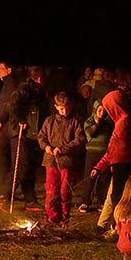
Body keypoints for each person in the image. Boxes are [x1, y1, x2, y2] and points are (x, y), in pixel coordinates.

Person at [93, 89, 131, 237]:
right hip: (117, 164)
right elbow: (112, 151)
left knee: (119, 197)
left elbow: (120, 148)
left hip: (123, 165)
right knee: (112, 197)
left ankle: (119, 226)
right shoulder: (121, 121)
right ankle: (103, 225)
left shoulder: (125, 121)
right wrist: (99, 167)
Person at [0, 66, 50, 211]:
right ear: (40, 78)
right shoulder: (26, 89)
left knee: (30, 166)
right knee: (21, 165)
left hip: (32, 134)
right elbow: (11, 104)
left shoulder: (38, 92)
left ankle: (30, 199)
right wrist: (21, 120)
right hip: (21, 132)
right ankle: (4, 196)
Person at [37, 91, 86, 225]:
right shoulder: (49, 121)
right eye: (62, 108)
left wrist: (63, 149)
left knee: (65, 191)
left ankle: (65, 218)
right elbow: (41, 136)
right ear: (56, 107)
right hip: (50, 161)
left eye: (67, 108)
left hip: (66, 162)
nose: (65, 111)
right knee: (52, 191)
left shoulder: (75, 122)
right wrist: (46, 146)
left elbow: (80, 139)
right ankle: (52, 218)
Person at [0, 61, 19, 196]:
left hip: (7, 126)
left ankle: (6, 188)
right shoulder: (6, 85)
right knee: (0, 156)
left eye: (1, 69)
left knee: (1, 155)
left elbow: (10, 104)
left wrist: (0, 120)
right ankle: (5, 187)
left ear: (9, 70)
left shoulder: (12, 84)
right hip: (3, 125)